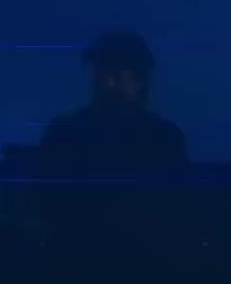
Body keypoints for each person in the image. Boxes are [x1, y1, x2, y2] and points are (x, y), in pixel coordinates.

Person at [37, 30, 189, 178]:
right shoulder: (65, 134)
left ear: (140, 80)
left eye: (116, 76)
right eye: (99, 73)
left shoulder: (164, 139)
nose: (106, 84)